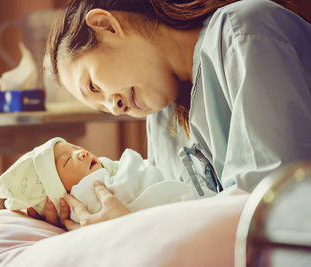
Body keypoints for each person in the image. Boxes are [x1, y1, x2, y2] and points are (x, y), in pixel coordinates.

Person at [40, 0, 311, 230]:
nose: (114, 107)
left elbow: (267, 212)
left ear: (106, 25)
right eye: (102, 107)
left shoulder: (244, 30)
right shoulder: (162, 118)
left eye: (94, 86)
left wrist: (134, 230)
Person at [0, 137, 212, 223]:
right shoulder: (86, 195)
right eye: (68, 160)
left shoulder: (106, 171)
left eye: (76, 147)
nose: (82, 152)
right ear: (60, 193)